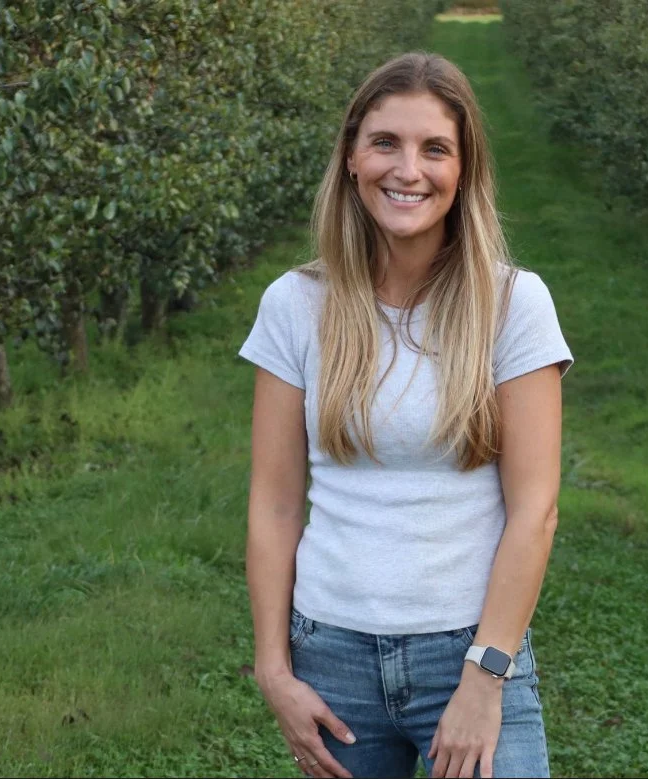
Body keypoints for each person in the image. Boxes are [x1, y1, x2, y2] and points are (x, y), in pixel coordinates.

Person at [239, 51, 572, 779]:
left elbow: (535, 511)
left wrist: (484, 677)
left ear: (465, 169)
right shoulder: (295, 305)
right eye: (385, 142)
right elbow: (274, 503)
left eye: (435, 149)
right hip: (331, 656)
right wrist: (274, 670)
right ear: (352, 157)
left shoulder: (513, 305)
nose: (408, 170)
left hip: (470, 649)